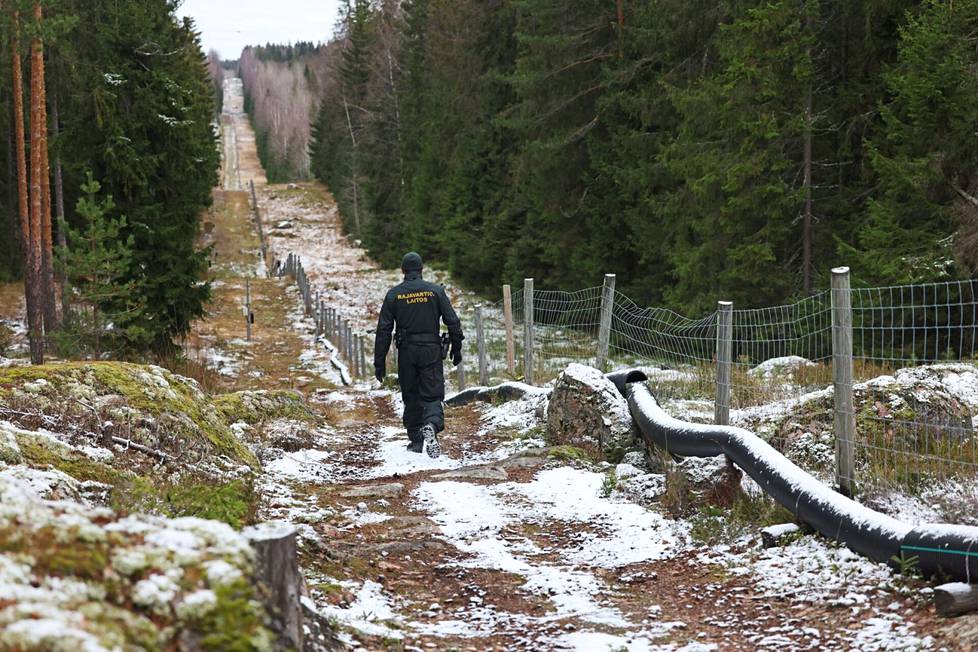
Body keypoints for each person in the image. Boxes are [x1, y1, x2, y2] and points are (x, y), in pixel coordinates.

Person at [374, 252, 463, 457]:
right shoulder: (435, 292)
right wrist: (456, 348)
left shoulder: (394, 295)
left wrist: (379, 362)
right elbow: (453, 322)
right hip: (431, 349)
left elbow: (384, 330)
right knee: (432, 394)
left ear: (403, 271)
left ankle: (416, 440)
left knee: (411, 394)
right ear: (421, 270)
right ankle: (431, 424)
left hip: (407, 352)